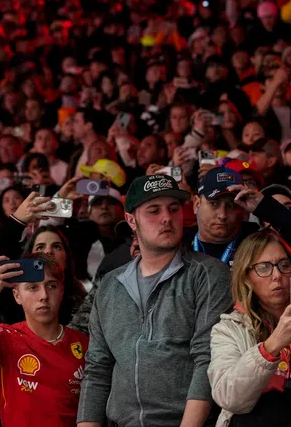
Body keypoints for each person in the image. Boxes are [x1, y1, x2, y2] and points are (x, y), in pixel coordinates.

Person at [78, 173, 232, 427]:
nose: (166, 218)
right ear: (131, 220)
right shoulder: (109, 285)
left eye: (174, 209)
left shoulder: (208, 273)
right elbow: (97, 369)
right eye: (153, 210)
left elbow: (208, 358)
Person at [209, 231, 291, 427]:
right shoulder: (229, 329)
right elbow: (229, 398)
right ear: (246, 277)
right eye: (264, 268)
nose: (277, 275)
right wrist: (273, 344)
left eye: (284, 265)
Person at [0, 253, 89, 427]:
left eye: (51, 286)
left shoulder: (84, 344)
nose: (43, 295)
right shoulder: (5, 337)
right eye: (33, 287)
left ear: (61, 291)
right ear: (17, 296)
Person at [190, 166, 260, 266]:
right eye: (214, 203)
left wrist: (262, 207)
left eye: (231, 205)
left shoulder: (257, 244)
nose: (222, 215)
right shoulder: (179, 244)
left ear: (243, 208)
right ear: (196, 204)